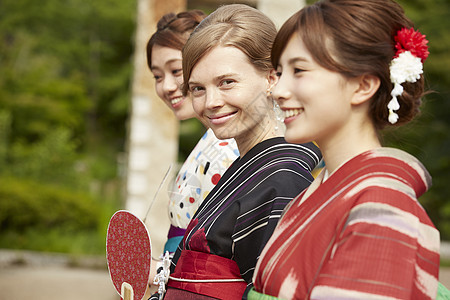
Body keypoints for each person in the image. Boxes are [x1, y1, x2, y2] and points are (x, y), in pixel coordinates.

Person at [251, 0, 440, 299]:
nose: (278, 90)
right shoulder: (321, 191)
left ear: (363, 85)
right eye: (279, 72)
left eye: (299, 70)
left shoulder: (382, 204)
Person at [153, 4, 322, 300]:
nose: (211, 102)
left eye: (227, 82)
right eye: (197, 89)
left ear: (272, 77)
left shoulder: (282, 180)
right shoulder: (249, 165)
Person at [146, 10, 239, 257]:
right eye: (157, 76)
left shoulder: (226, 148)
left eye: (176, 71)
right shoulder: (211, 140)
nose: (166, 86)